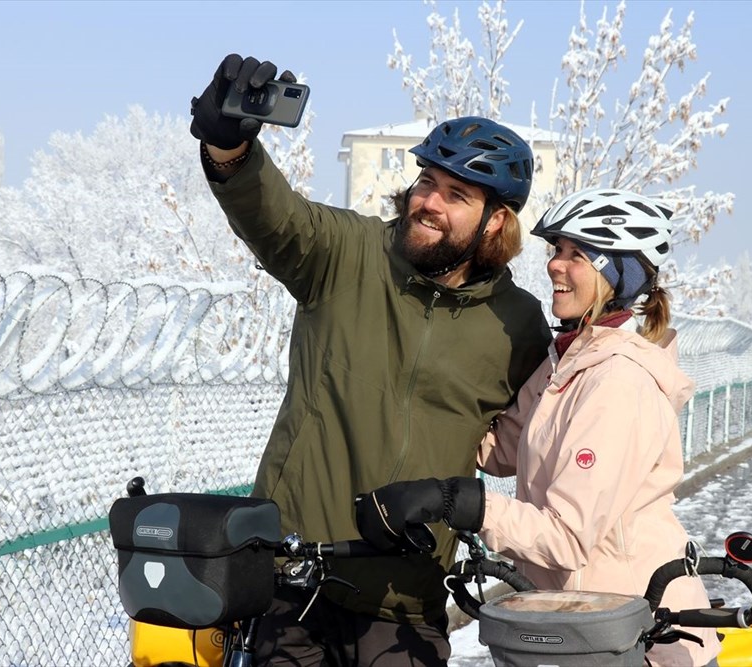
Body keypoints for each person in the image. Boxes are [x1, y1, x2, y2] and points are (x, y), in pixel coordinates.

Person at [189, 53, 551, 665]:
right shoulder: (347, 254)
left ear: (496, 224)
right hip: (290, 578)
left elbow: (544, 435)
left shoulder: (516, 325)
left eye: (456, 194)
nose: (428, 202)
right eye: (426, 182)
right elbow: (272, 215)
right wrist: (229, 150)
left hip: (404, 599)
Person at [356, 187, 723, 666]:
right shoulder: (567, 360)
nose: (555, 265)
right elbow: (496, 450)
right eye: (556, 251)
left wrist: (461, 502)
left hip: (634, 637)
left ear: (618, 275)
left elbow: (565, 536)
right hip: (580, 629)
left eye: (577, 255)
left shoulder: (618, 382)